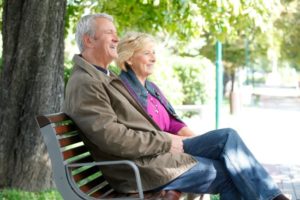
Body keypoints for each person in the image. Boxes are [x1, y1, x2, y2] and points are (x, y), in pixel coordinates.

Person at [63, 13, 289, 200]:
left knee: (227, 137)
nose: (116, 38)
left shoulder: (103, 76)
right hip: (142, 168)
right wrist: (165, 141)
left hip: (153, 157)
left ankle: (275, 197)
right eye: (109, 33)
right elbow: (113, 137)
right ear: (88, 40)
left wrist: (169, 141)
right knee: (231, 172)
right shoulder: (85, 83)